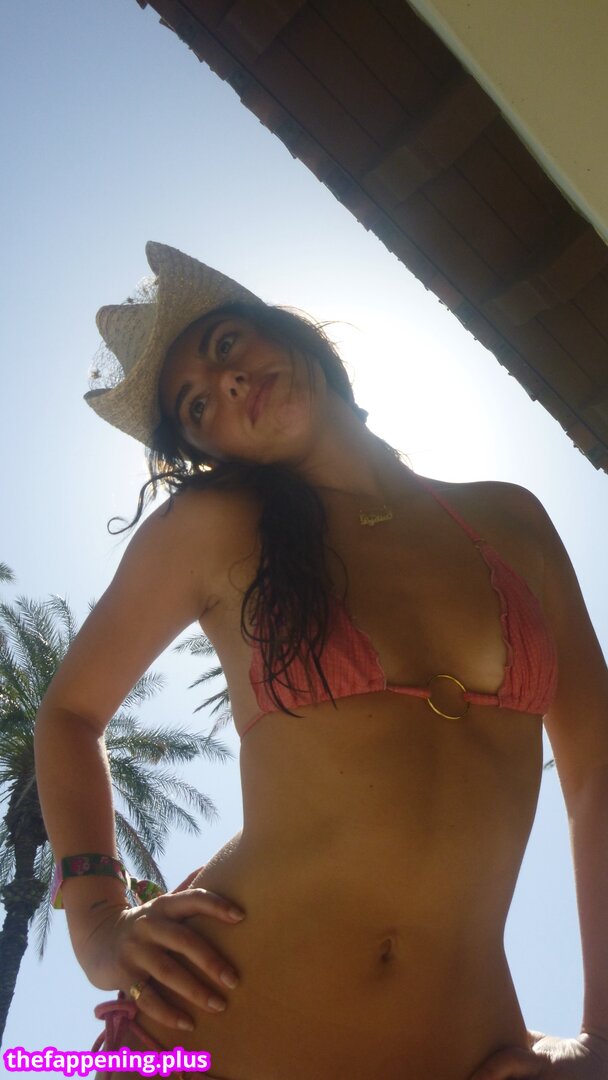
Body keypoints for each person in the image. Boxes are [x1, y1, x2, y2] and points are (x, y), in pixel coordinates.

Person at [35, 241, 608, 1080]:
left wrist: (602, 1037)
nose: (227, 384)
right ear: (210, 449)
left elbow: (596, 772)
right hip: (218, 1040)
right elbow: (69, 715)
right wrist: (96, 923)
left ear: (289, 333)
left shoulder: (512, 522)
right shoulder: (216, 528)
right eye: (197, 406)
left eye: (226, 344)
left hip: (465, 1053)